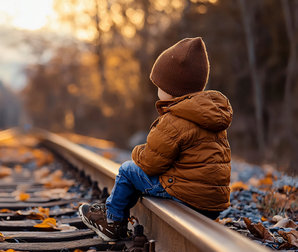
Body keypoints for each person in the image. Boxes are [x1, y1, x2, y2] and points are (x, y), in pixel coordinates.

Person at [79, 37, 233, 241]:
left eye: (159, 85)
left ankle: (113, 222)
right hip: (212, 204)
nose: (157, 89)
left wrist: (137, 152)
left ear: (171, 89)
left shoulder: (175, 119)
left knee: (127, 170)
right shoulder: (210, 115)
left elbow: (150, 164)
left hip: (185, 195)